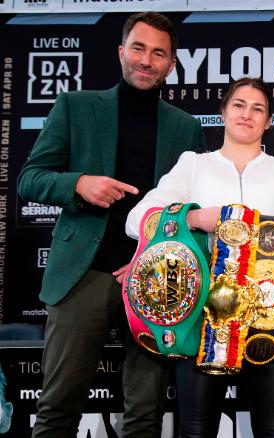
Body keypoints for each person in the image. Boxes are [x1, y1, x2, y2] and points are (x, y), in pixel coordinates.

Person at [16, 12, 206, 437]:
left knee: (145, 413)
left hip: (155, 281)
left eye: (158, 53)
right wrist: (78, 183)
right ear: (121, 52)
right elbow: (30, 178)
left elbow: (193, 211)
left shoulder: (186, 127)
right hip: (85, 273)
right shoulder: (75, 106)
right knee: (58, 405)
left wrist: (149, 259)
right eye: (138, 48)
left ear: (171, 65)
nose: (146, 60)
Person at [125, 77, 274, 438]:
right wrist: (193, 218)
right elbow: (136, 221)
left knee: (273, 431)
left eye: (258, 109)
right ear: (222, 112)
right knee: (196, 430)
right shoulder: (193, 166)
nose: (247, 114)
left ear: (268, 122)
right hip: (203, 315)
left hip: (271, 316)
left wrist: (266, 235)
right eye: (238, 104)